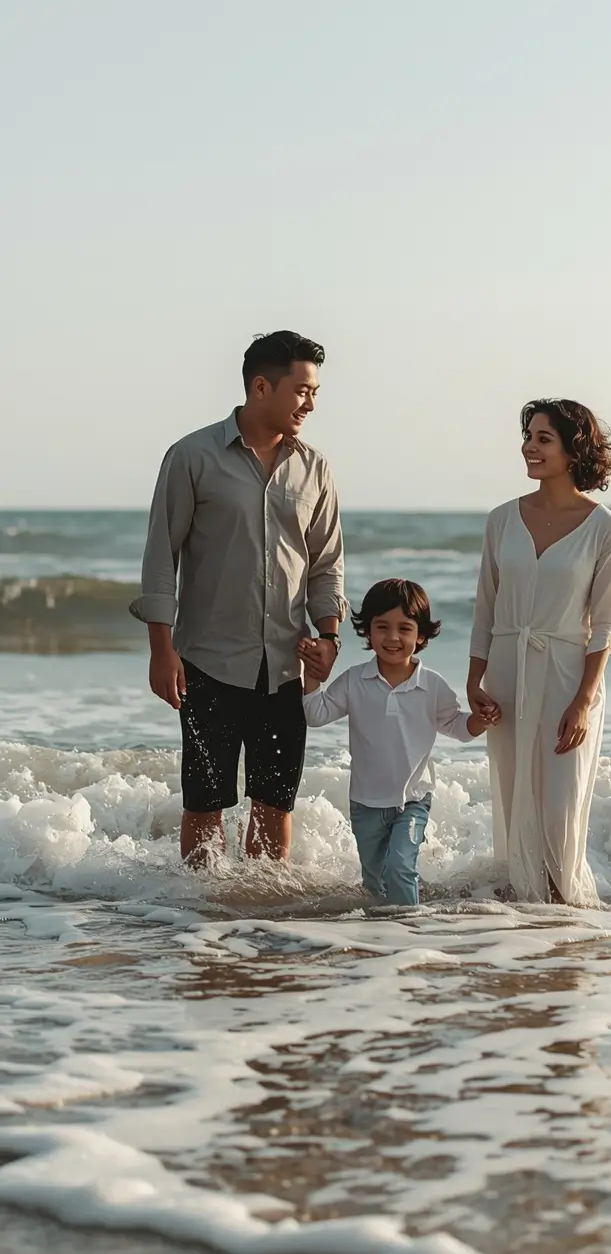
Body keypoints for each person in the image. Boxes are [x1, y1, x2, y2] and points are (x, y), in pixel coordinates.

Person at [130, 330, 346, 865]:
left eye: (315, 391)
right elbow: (162, 558)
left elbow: (325, 563)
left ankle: (265, 930)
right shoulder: (191, 456)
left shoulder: (315, 468)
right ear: (260, 386)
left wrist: (330, 636)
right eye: (302, 390)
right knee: (205, 805)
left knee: (275, 804)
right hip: (208, 662)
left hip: (286, 668)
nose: (311, 403)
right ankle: (202, 923)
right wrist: (162, 648)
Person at [468, 399, 611, 907]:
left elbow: (604, 627)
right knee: (515, 799)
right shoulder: (501, 520)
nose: (529, 447)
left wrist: (583, 699)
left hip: (566, 675)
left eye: (543, 439)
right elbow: (484, 612)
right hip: (508, 673)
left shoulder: (604, 528)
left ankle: (565, 912)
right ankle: (526, 929)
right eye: (528, 436)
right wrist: (475, 682)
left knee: (561, 801)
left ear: (573, 448)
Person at [300, 579, 497, 907]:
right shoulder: (354, 680)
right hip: (365, 803)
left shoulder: (432, 685)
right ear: (367, 632)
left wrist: (480, 720)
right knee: (375, 880)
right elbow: (316, 715)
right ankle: (384, 937)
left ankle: (409, 932)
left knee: (401, 866)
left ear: (420, 635)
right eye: (382, 627)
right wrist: (311, 676)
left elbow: (458, 727)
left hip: (413, 799)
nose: (393, 638)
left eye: (404, 629)